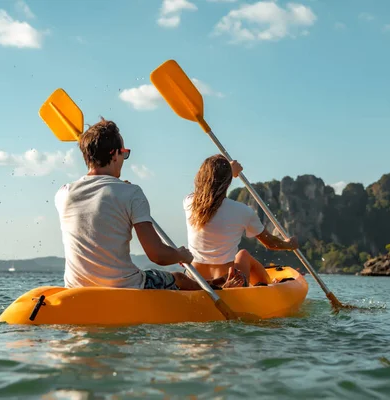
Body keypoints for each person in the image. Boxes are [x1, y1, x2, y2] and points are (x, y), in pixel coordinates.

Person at [54, 118, 240, 291]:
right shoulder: (132, 193)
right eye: (124, 154)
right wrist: (181, 255)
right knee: (178, 278)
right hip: (126, 285)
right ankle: (221, 291)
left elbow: (96, 207)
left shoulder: (63, 193)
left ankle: (214, 283)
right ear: (114, 154)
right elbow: (157, 255)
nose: (123, 161)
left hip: (76, 287)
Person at [183, 154, 300, 287]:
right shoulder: (244, 211)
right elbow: (271, 243)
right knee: (243, 255)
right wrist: (289, 245)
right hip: (228, 280)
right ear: (227, 180)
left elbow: (211, 188)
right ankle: (268, 287)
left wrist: (229, 172)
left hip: (194, 279)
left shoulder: (189, 203)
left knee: (240, 256)